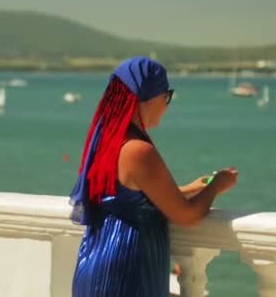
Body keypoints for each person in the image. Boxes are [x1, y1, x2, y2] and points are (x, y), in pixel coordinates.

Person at [69, 56, 238, 297]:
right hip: (125, 272)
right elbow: (187, 216)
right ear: (147, 98)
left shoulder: (106, 141)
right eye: (166, 95)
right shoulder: (138, 150)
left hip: (97, 265)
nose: (167, 104)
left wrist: (189, 189)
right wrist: (217, 186)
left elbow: (126, 199)